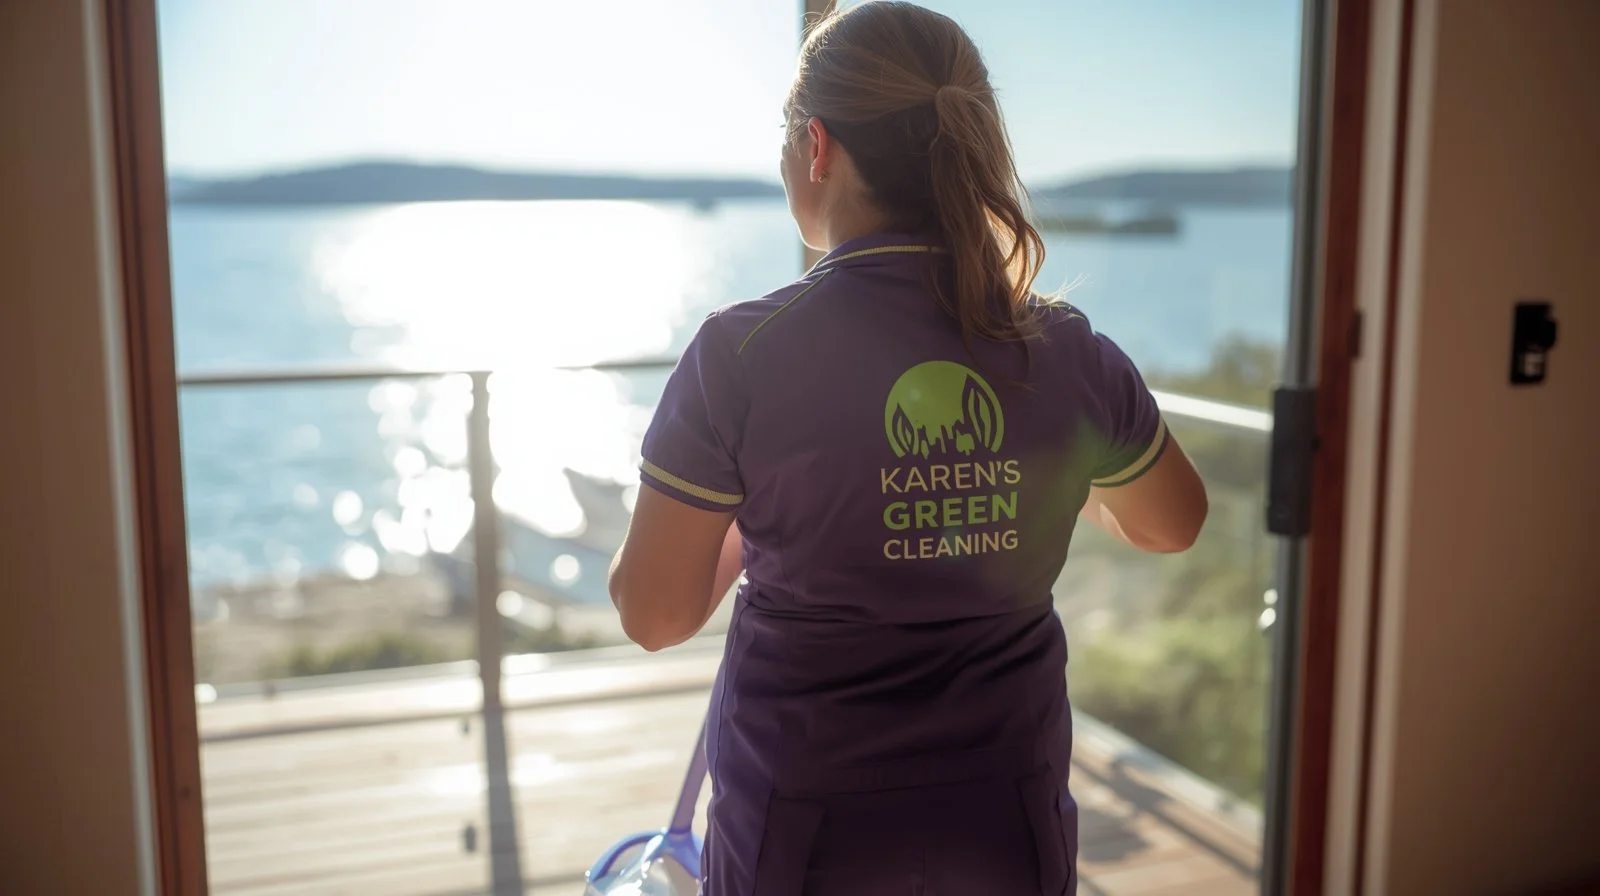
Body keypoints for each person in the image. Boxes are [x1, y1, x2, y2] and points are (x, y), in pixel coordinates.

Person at [608, 3, 1208, 893]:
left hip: (801, 830)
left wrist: (758, 519)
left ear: (817, 146)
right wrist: (1022, 475)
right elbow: (1172, 523)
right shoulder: (1064, 350)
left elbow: (653, 615)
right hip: (1008, 819)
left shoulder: (741, 353)